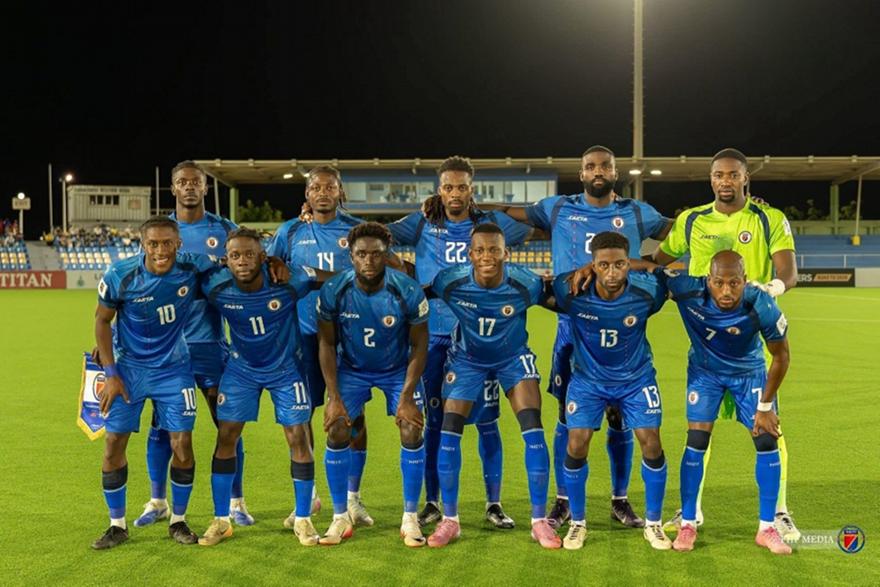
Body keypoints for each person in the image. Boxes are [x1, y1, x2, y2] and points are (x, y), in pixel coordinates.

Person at [459, 145, 672, 529]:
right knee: (566, 415)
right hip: (571, 327)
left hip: (620, 323)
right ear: (581, 172)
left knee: (620, 416)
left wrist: (732, 211)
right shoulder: (557, 207)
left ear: (615, 172)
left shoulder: (637, 212)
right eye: (590, 166)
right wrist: (466, 205)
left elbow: (681, 230)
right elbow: (507, 213)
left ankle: (619, 499)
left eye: (605, 166)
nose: (598, 171)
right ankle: (563, 500)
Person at [654, 148, 800, 539]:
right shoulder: (692, 219)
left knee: (768, 427)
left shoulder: (768, 218)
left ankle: (779, 512)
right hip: (707, 341)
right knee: (699, 431)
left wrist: (769, 289)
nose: (725, 181)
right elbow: (658, 260)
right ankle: (691, 512)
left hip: (751, 338)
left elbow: (789, 272)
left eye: (733, 175)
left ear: (745, 178)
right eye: (719, 175)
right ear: (711, 178)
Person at [389, 156, 535, 529]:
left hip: (480, 339)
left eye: (462, 187)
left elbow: (536, 225)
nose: (455, 194)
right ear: (439, 190)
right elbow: (377, 237)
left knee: (488, 422)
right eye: (448, 187)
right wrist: (404, 269)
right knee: (436, 421)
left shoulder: (491, 224)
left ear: (472, 189)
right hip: (433, 337)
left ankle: (493, 504)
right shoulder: (422, 221)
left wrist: (495, 208)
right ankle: (433, 502)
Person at [426, 223, 561, 550]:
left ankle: (539, 521)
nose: (487, 256)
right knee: (450, 431)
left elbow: (561, 298)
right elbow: (416, 294)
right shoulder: (450, 281)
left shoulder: (526, 283)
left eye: (494, 250)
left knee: (533, 427)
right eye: (480, 250)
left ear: (506, 253)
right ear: (470, 254)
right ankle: (450, 520)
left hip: (512, 358)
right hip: (466, 360)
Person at [197, 228, 333, 547]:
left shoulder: (289, 281)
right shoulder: (216, 286)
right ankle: (221, 519)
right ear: (226, 260)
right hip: (241, 370)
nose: (242, 261)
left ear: (262, 257)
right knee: (226, 436)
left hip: (285, 370)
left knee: (297, 436)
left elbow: (332, 278)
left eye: (249, 254)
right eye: (235, 256)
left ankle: (303, 519)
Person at [136, 160, 251, 529]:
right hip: (169, 352)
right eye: (182, 182)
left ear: (205, 187)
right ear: (173, 188)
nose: (189, 187)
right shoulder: (161, 232)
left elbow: (245, 272)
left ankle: (236, 502)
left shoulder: (224, 229)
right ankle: (158, 501)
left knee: (227, 424)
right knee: (162, 427)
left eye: (195, 182)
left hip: (211, 345)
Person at [91, 217, 218, 549]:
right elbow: (101, 320)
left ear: (178, 244)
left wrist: (270, 262)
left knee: (182, 444)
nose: (161, 250)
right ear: (142, 245)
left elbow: (236, 263)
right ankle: (117, 525)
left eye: (167, 243)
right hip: (129, 370)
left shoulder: (193, 267)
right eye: (153, 244)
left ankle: (178, 520)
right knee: (113, 444)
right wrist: (111, 373)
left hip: (174, 369)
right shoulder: (121, 274)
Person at [552, 231, 671, 551]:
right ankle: (577, 523)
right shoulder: (572, 290)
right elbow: (543, 290)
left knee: (651, 441)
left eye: (620, 264)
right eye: (603, 265)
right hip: (588, 380)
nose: (612, 272)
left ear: (628, 263)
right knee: (577, 442)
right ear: (592, 265)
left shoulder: (648, 292)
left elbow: (662, 275)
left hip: (636, 379)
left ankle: (654, 524)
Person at [667, 251, 792, 555]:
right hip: (705, 373)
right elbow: (648, 272)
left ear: (745, 281)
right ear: (707, 279)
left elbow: (781, 357)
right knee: (696, 440)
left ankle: (767, 528)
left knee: (766, 441)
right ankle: (688, 523)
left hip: (748, 374)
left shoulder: (761, 304)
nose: (726, 291)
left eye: (734, 283)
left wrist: (765, 407)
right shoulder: (688, 289)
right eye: (718, 282)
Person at [316, 222, 430, 547]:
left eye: (376, 254)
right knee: (338, 427)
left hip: (396, 370)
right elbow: (326, 344)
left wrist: (406, 396)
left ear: (387, 254)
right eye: (361, 254)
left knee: (411, 428)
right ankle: (340, 515)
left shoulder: (406, 290)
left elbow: (419, 345)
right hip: (352, 369)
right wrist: (334, 397)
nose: (369, 260)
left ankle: (410, 518)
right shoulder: (334, 290)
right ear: (351, 256)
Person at [268, 166, 368, 524]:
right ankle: (309, 496)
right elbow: (271, 268)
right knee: (302, 413)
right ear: (307, 194)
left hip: (348, 334)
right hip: (302, 334)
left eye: (330, 187)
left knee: (353, 415)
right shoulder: (290, 231)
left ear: (340, 192)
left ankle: (353, 498)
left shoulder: (356, 230)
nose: (322, 193)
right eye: (315, 187)